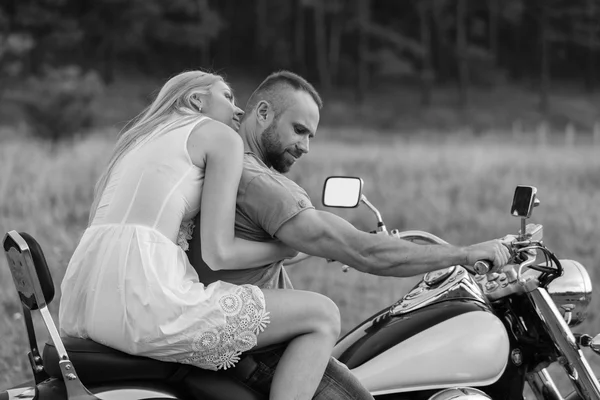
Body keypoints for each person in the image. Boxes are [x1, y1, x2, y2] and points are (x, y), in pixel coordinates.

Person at [187, 70, 511, 398]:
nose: (306, 147)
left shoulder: (221, 168)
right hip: (261, 350)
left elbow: (262, 248)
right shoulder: (260, 183)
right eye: (299, 130)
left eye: (310, 136)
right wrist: (465, 254)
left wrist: (319, 245)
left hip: (241, 335)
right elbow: (365, 252)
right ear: (264, 113)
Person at [58, 70, 346, 400]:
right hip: (146, 301)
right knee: (323, 314)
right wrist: (285, 248)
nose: (239, 111)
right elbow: (219, 253)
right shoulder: (220, 137)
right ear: (197, 100)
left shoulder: (139, 140)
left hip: (87, 300)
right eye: (227, 97)